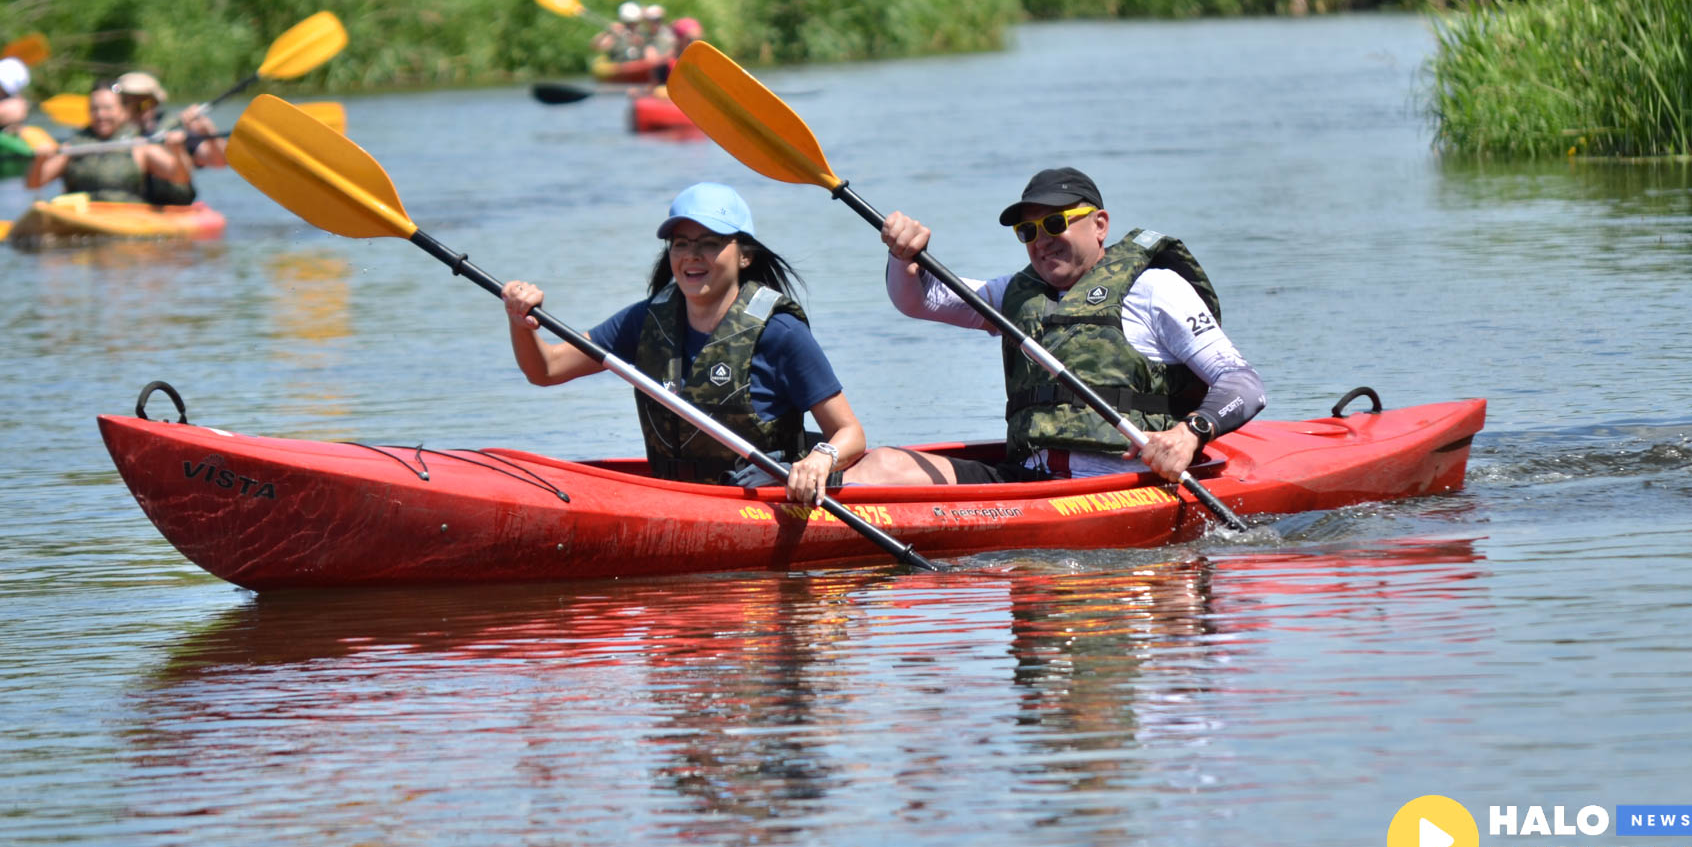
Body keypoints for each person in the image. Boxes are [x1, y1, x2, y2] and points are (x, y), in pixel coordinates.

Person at [845, 167, 1265, 487]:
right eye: (1028, 230)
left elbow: (1243, 384)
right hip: (1026, 479)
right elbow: (919, 300)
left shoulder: (1154, 290)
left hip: (1122, 484)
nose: (1040, 240)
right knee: (884, 464)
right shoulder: (1016, 295)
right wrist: (904, 257)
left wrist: (1192, 433)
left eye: (1054, 223)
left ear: (1099, 224)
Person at [500, 183, 864, 505]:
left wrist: (820, 459)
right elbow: (545, 370)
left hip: (761, 497)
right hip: (675, 496)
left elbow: (850, 434)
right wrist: (522, 324)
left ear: (744, 255)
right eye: (682, 244)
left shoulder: (780, 332)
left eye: (710, 243)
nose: (692, 255)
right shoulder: (644, 322)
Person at [23, 82, 198, 205]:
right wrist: (40, 160)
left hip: (126, 216)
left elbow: (180, 177)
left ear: (123, 112)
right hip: (81, 216)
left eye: (108, 108)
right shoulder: (74, 147)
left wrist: (177, 150)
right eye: (95, 109)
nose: (100, 115)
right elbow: (34, 184)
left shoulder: (140, 146)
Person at [114, 70, 226, 169]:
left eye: (144, 104)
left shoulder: (174, 129)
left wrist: (207, 131)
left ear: (155, 103)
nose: (140, 111)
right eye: (127, 103)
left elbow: (218, 162)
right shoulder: (109, 133)